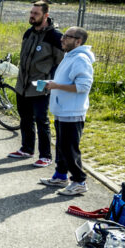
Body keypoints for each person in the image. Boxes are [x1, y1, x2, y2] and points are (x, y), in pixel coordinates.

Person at [39, 27, 95, 196]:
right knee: (62, 147)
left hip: (72, 111)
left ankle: (79, 181)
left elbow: (84, 86)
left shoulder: (80, 59)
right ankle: (60, 176)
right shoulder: (69, 56)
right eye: (63, 35)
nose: (62, 39)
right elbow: (64, 81)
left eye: (67, 37)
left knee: (69, 148)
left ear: (78, 41)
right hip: (62, 110)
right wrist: (51, 83)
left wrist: (56, 86)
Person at [9, 0, 63, 167]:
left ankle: (46, 155)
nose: (32, 16)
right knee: (25, 118)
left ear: (45, 15)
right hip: (23, 86)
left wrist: (50, 81)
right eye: (31, 13)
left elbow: (61, 63)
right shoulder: (28, 33)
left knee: (41, 120)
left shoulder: (55, 37)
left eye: (36, 14)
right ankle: (27, 148)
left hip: (41, 87)